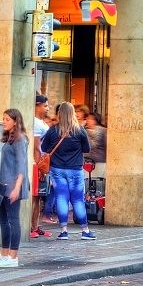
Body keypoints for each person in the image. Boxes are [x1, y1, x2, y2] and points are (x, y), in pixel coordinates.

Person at [41, 102, 96, 240]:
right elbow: (87, 149)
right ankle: (85, 230)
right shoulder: (79, 130)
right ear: (72, 114)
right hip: (75, 170)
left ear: (59, 114)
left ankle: (64, 231)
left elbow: (45, 147)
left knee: (61, 198)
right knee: (77, 200)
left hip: (57, 169)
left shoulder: (53, 130)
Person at [0, 109, 30, 267]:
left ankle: (13, 257)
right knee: (4, 221)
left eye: (7, 119)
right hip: (4, 186)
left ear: (15, 122)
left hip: (13, 187)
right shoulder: (9, 139)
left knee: (13, 220)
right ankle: (4, 255)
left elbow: (21, 166)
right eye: (3, 119)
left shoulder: (19, 140)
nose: (4, 121)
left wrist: (17, 188)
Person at [30, 95, 52, 238]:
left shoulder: (42, 122)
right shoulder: (36, 123)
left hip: (42, 162)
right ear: (37, 105)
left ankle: (35, 227)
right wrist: (40, 168)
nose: (48, 108)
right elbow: (36, 147)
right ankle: (31, 228)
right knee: (33, 197)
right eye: (45, 106)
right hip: (36, 163)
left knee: (38, 197)